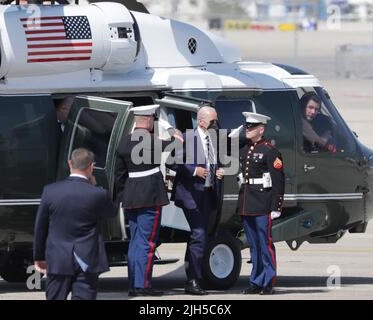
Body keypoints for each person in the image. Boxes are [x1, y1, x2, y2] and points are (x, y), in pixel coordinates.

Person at [114, 104, 182, 297]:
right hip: (149, 197)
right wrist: (172, 130)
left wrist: (122, 197)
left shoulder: (123, 142)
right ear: (150, 119)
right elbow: (178, 142)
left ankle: (133, 285)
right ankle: (142, 286)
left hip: (131, 198)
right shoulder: (152, 141)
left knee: (135, 242)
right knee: (147, 243)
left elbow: (119, 176)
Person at [33, 148, 114, 300]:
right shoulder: (98, 194)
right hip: (87, 258)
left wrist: (38, 256)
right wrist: (96, 187)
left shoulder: (50, 191)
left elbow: (40, 227)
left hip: (58, 258)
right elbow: (111, 213)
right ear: (91, 167)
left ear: (70, 163)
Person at [169, 106, 225, 295]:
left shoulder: (214, 139)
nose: (216, 124)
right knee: (199, 234)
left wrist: (218, 170)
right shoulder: (188, 137)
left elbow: (215, 161)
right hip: (190, 195)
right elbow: (173, 161)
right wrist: (194, 170)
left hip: (208, 194)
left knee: (199, 236)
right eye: (213, 120)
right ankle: (193, 280)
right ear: (201, 121)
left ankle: (192, 275)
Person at [236, 112, 285, 295]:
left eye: (251, 127)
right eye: (247, 126)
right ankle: (255, 281)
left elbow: (278, 180)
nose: (247, 129)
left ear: (261, 129)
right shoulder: (244, 148)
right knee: (254, 246)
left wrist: (276, 207)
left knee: (265, 244)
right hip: (247, 203)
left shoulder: (270, 151)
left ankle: (268, 281)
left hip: (263, 204)